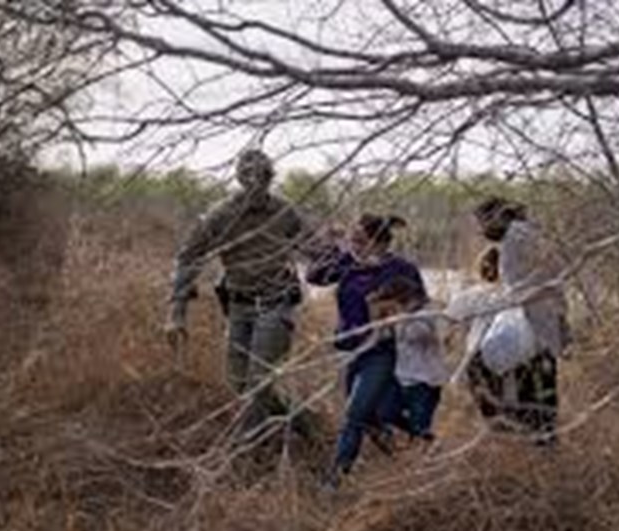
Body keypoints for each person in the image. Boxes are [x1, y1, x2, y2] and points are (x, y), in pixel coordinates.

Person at [164, 149, 317, 439]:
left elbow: (317, 250)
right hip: (239, 307)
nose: (256, 183)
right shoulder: (221, 215)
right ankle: (304, 424)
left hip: (276, 305)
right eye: (249, 177)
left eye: (263, 177)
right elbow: (188, 257)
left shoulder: (284, 212)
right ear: (239, 178)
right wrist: (176, 313)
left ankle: (244, 456)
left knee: (257, 385)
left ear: (270, 178)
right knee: (238, 383)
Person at [306, 214, 427, 488]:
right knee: (373, 417)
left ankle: (334, 480)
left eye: (360, 241)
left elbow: (420, 304)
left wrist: (394, 313)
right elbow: (314, 277)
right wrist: (330, 247)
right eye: (351, 240)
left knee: (354, 414)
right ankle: (418, 445)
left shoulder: (401, 268)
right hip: (351, 350)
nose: (354, 246)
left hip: (382, 349)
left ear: (379, 242)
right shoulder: (347, 263)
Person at [465, 196, 568, 445]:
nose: (481, 230)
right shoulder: (522, 235)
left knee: (480, 367)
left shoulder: (519, 236)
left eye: (483, 222)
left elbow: (547, 276)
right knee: (534, 386)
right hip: (535, 318)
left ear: (497, 217)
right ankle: (535, 439)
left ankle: (515, 427)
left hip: (532, 318)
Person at [367, 275, 448, 442]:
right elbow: (380, 337)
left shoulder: (426, 313)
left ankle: (425, 446)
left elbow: (421, 334)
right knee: (385, 412)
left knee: (419, 425)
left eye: (392, 304)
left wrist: (402, 317)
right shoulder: (398, 317)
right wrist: (379, 319)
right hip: (403, 377)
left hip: (426, 381)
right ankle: (417, 439)